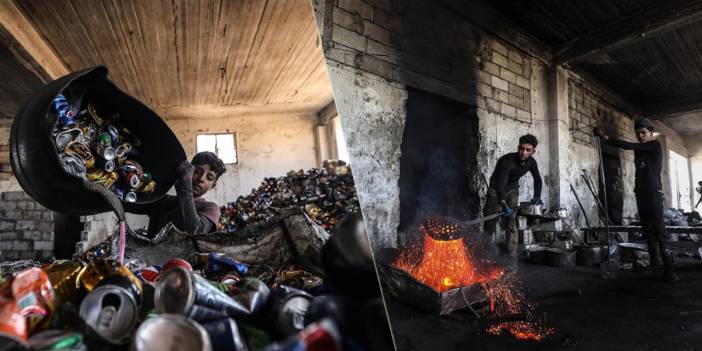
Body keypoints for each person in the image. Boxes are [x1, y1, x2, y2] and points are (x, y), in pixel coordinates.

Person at [595, 119, 678, 282]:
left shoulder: (654, 145)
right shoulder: (640, 151)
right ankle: (655, 266)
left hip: (654, 193)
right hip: (641, 194)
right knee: (648, 231)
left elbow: (629, 146)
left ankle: (670, 271)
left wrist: (605, 137)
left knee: (660, 232)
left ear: (650, 132)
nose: (641, 135)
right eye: (638, 133)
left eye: (644, 132)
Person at [484, 134, 543, 256]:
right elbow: (501, 185)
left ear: (533, 151)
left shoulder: (531, 163)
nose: (523, 152)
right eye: (522, 148)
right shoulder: (507, 161)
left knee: (511, 220)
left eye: (528, 150)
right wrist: (503, 203)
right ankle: (486, 251)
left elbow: (537, 179)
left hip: (512, 190)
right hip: (496, 190)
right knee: (491, 220)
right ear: (518, 147)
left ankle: (510, 252)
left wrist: (537, 195)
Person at [143, 151, 225, 235]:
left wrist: (185, 185)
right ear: (188, 170)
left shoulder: (210, 208)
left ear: (213, 186)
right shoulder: (162, 200)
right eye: (197, 171)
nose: (201, 179)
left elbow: (196, 231)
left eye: (209, 177)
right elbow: (131, 204)